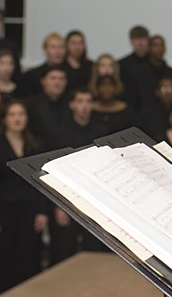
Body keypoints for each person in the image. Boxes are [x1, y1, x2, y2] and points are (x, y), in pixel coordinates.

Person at [0, 100, 47, 296]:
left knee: (27, 260)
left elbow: (40, 180)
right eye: (13, 114)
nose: (17, 119)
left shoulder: (35, 143)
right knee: (1, 263)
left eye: (21, 114)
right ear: (4, 119)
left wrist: (42, 211)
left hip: (28, 211)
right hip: (0, 212)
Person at [48, 88, 109, 265]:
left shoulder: (101, 130)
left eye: (88, 101)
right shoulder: (58, 133)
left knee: (94, 250)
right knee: (64, 249)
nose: (84, 106)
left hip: (95, 197)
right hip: (67, 196)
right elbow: (51, 171)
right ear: (72, 104)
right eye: (80, 101)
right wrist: (58, 205)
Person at [26, 65, 70, 146]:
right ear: (43, 81)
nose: (57, 83)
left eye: (61, 79)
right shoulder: (30, 105)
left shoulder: (71, 104)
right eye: (53, 78)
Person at [20, 33, 66, 97]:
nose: (58, 51)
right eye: (53, 47)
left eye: (61, 47)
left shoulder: (71, 74)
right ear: (45, 50)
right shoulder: (32, 75)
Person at [118, 25, 150, 90]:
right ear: (131, 41)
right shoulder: (122, 64)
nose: (140, 42)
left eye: (143, 38)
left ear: (148, 40)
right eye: (137, 39)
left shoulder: (155, 63)